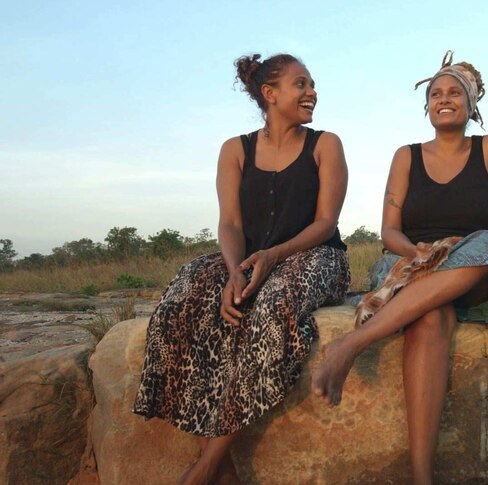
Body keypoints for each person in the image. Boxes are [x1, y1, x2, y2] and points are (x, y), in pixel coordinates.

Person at [133, 53, 350, 485]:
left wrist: (274, 257)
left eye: (312, 85)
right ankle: (225, 471)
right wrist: (234, 271)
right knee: (185, 299)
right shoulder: (235, 150)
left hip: (315, 256)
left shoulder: (325, 144)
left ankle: (208, 464)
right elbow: (229, 222)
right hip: (248, 258)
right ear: (270, 94)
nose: (312, 93)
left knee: (271, 305)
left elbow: (326, 221)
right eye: (301, 84)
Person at [312, 51, 488, 485]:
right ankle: (422, 477)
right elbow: (389, 231)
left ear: (471, 104)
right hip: (412, 262)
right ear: (426, 105)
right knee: (430, 318)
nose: (443, 99)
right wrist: (417, 254)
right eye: (435, 94)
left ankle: (353, 343)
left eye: (454, 93)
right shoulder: (406, 155)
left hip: (470, 263)